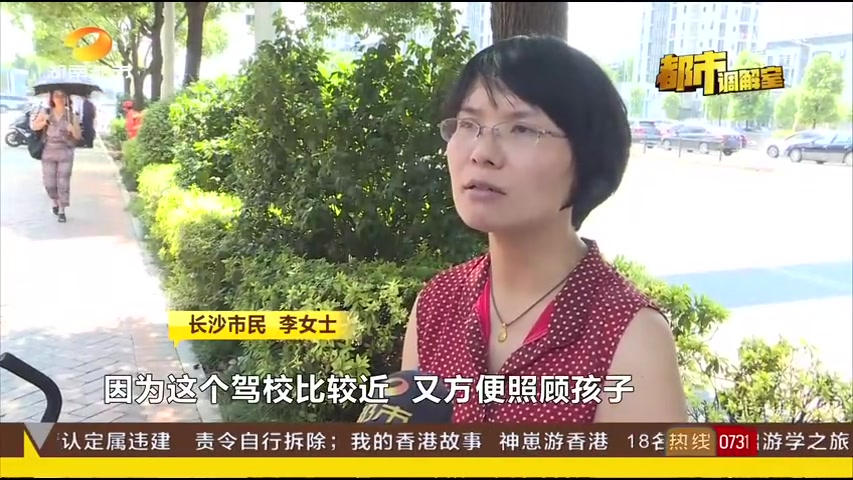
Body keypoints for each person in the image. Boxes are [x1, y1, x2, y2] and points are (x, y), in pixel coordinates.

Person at [400, 36, 688, 424]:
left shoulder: (629, 336)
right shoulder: (437, 304)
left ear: (587, 157)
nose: (482, 153)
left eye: (521, 129)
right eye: (468, 124)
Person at [31, 89, 82, 223]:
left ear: (66, 98)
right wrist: (44, 122)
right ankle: (55, 201)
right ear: (52, 98)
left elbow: (78, 136)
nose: (59, 98)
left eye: (62, 96)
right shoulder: (46, 112)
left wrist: (73, 129)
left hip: (65, 152)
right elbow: (34, 126)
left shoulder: (71, 115)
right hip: (49, 151)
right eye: (56, 96)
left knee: (63, 182)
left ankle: (62, 210)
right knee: (50, 183)